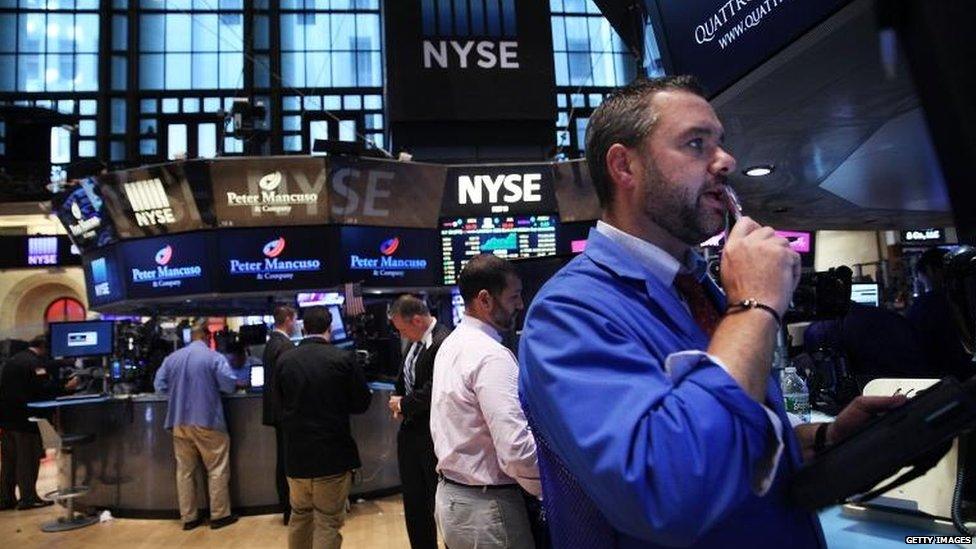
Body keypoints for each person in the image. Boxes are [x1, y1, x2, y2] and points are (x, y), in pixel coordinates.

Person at [518, 76, 906, 547]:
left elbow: (728, 441)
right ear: (624, 166)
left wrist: (822, 441)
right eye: (696, 144)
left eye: (720, 143)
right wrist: (754, 308)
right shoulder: (568, 313)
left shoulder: (702, 288)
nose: (726, 161)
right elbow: (665, 491)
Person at [430, 254, 541, 549]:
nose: (519, 305)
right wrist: (555, 485)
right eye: (514, 296)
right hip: (489, 507)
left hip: (453, 499)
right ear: (485, 299)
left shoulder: (451, 343)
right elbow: (516, 450)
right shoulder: (490, 355)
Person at [277, 306, 372, 549]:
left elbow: (277, 405)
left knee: (300, 516)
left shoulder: (285, 360)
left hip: (295, 458)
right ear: (330, 328)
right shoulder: (342, 359)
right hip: (332, 456)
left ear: (303, 328)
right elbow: (361, 403)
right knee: (327, 521)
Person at [154, 320, 239, 530]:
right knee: (217, 468)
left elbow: (159, 386)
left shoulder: (171, 359)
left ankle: (189, 518)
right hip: (208, 421)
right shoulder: (214, 358)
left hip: (178, 421)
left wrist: (178, 394)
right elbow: (229, 385)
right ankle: (219, 516)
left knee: (185, 472)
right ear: (206, 336)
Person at [387, 294, 451, 549]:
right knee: (415, 504)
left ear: (417, 320)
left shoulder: (443, 341)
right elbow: (405, 376)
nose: (402, 335)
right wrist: (397, 397)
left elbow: (435, 387)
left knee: (441, 505)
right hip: (410, 434)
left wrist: (404, 404)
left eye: (403, 329)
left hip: (434, 437)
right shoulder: (414, 343)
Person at [0, 336, 58, 510]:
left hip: (7, 420)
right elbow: (42, 390)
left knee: (9, 461)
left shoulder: (12, 361)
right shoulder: (34, 363)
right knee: (28, 460)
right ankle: (28, 498)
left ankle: (5, 498)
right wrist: (65, 387)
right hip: (28, 420)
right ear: (43, 347)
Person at [907, 247, 973, 379]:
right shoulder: (963, 297)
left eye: (921, 276)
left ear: (931, 270)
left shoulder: (925, 305)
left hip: (946, 380)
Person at [263, 304, 297, 525]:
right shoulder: (283, 345)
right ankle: (289, 509)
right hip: (285, 412)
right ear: (288, 320)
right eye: (294, 320)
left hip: (277, 412)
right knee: (287, 462)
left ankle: (288, 507)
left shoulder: (271, 343)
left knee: (283, 460)